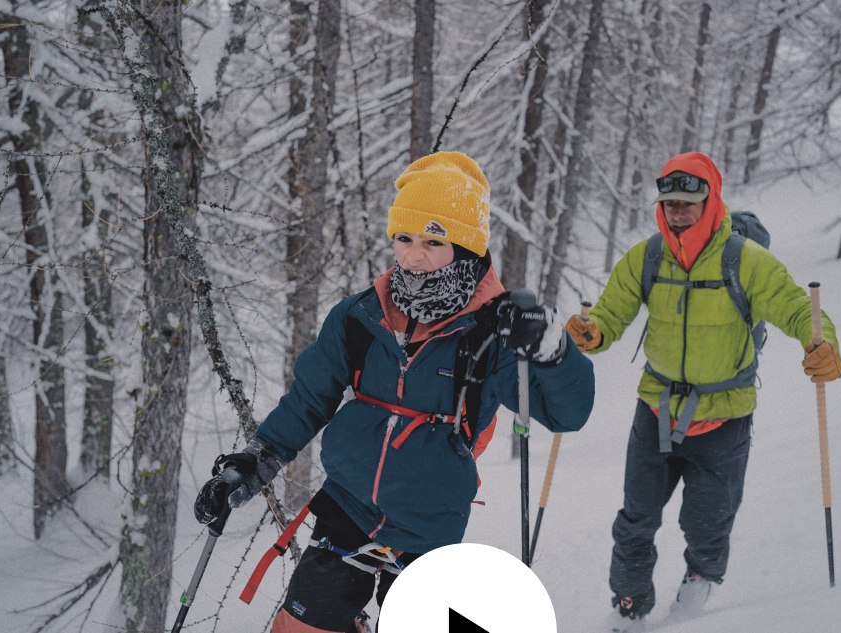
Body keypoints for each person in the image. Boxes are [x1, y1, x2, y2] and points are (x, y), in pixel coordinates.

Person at [193, 151, 595, 633]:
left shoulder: (493, 330)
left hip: (432, 521)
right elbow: (309, 398)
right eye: (403, 238)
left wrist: (553, 351)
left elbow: (565, 414)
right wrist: (253, 462)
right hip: (347, 504)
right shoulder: (360, 314)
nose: (413, 254)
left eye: (432, 240)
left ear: (465, 246)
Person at [564, 151, 841, 632]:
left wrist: (823, 344)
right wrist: (593, 332)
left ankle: (698, 585)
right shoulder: (648, 256)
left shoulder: (745, 260)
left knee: (706, 522)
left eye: (687, 202)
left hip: (725, 417)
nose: (677, 211)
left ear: (711, 201)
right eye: (669, 202)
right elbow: (610, 315)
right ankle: (629, 607)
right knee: (636, 518)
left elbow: (800, 309)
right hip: (656, 410)